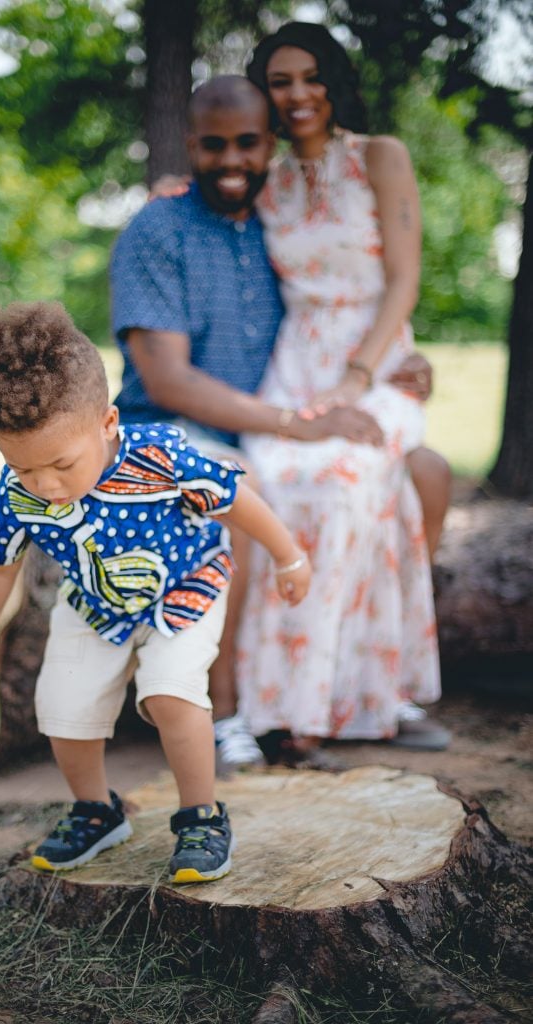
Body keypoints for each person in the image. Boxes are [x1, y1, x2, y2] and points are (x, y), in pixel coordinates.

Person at [110, 74, 450, 766]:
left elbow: (338, 292)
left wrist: (396, 370)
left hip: (270, 418)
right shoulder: (158, 229)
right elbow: (166, 379)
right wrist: (295, 425)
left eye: (245, 145)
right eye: (213, 147)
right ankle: (231, 710)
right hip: (171, 431)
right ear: (188, 145)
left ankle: (368, 688)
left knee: (424, 474)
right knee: (235, 487)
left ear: (269, 146)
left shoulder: (271, 217)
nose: (230, 162)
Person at [0, 301, 311, 884]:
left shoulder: (159, 456)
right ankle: (97, 811)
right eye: (23, 467)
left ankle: (202, 817)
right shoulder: (18, 494)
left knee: (170, 693)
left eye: (61, 464)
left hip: (183, 591)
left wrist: (288, 553)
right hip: (95, 602)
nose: (45, 485)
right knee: (62, 708)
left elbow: (233, 497)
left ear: (108, 424)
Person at [232, 21, 449, 755]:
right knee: (271, 480)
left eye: (310, 76)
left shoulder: (379, 157)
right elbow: (210, 190)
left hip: (378, 356)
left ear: (334, 81)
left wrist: (361, 376)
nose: (297, 94)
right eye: (280, 81)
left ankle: (333, 703)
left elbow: (404, 279)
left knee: (347, 478)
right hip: (296, 362)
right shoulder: (265, 172)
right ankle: (291, 706)